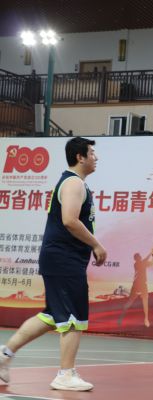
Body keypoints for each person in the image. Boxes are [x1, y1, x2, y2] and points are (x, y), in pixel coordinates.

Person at [0, 137, 106, 391]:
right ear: (80, 157)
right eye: (92, 153)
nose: (96, 157)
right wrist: (96, 244)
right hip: (63, 259)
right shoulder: (73, 183)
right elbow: (70, 220)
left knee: (51, 315)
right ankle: (65, 375)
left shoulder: (74, 182)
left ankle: (4, 355)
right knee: (74, 316)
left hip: (61, 258)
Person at [118, 251, 153, 327]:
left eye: (139, 256)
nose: (139, 258)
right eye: (138, 257)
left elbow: (152, 263)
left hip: (143, 285)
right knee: (130, 302)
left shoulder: (143, 263)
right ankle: (121, 317)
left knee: (145, 302)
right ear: (136, 259)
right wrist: (151, 253)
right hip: (136, 285)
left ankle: (146, 319)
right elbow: (145, 260)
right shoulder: (136, 264)